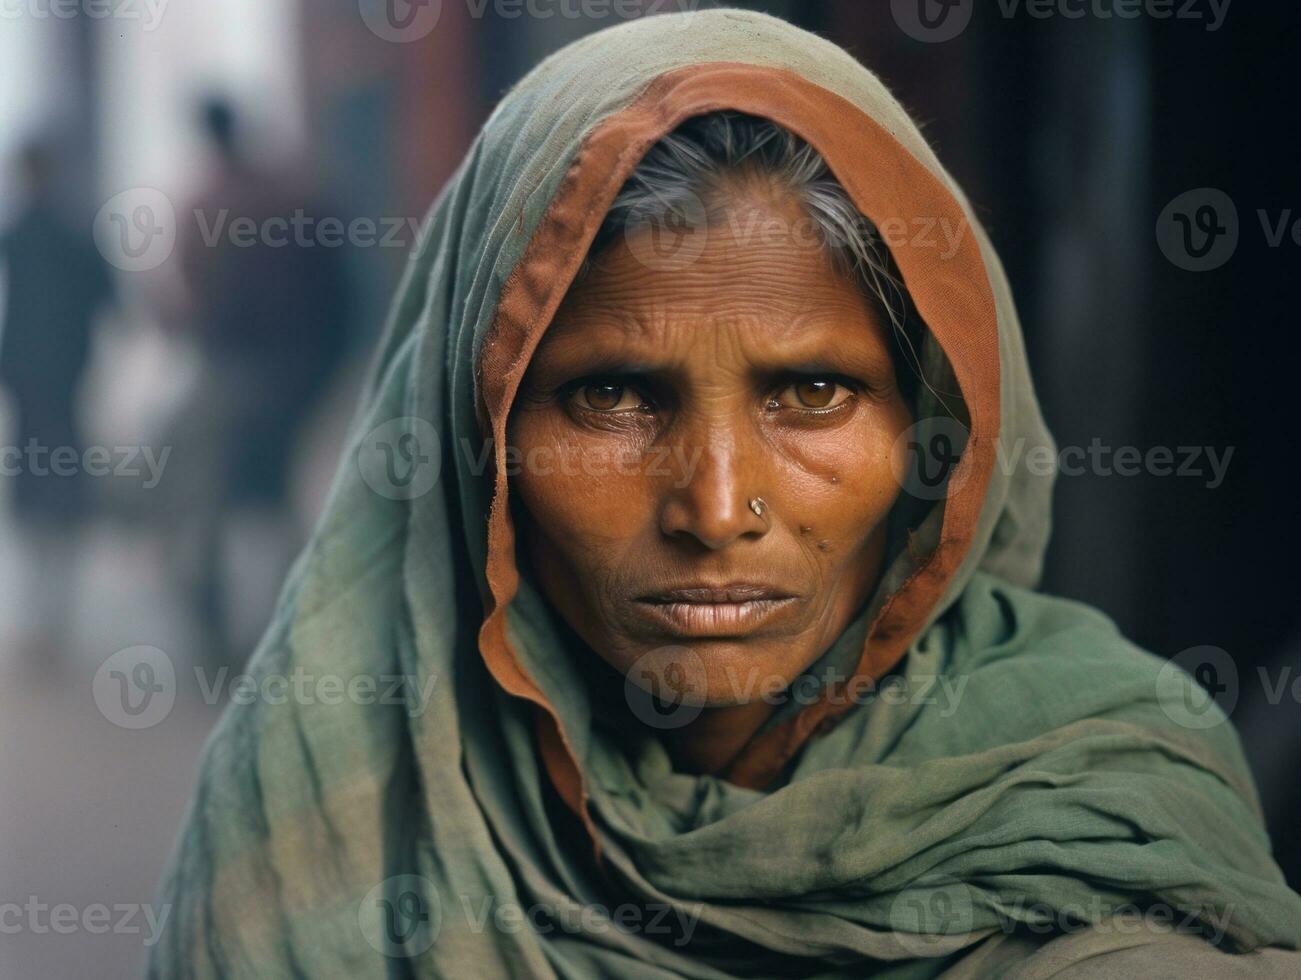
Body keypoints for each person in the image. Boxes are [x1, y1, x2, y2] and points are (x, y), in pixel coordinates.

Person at [148, 11, 1301, 977]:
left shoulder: (1092, 787)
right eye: (610, 395)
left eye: (810, 390)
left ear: (933, 438)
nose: (714, 505)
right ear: (477, 440)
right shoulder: (319, 814)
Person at [161, 97, 351, 664]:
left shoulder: (206, 205)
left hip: (233, 369)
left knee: (204, 503)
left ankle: (221, 639)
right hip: (299, 373)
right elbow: (341, 295)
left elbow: (184, 302)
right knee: (271, 497)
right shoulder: (299, 198)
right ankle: (286, 629)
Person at [0, 140, 113, 671]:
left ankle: (45, 614)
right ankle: (52, 612)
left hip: (31, 378)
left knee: (36, 485)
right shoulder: (72, 233)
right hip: (61, 378)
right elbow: (108, 299)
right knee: (58, 482)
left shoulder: (21, 235)